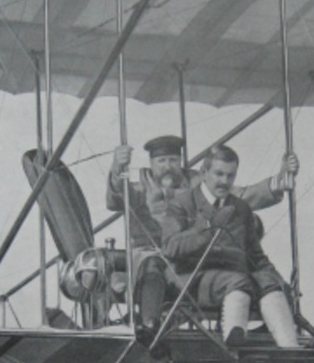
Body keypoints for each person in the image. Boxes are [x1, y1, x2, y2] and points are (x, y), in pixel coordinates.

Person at [106, 134, 298, 348]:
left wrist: (277, 183)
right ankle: (150, 324)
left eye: (173, 160)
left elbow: (241, 194)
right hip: (151, 252)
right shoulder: (140, 187)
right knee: (152, 264)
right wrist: (117, 168)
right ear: (151, 163)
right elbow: (116, 198)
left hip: (196, 256)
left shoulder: (200, 181)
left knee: (259, 278)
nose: (168, 166)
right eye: (162, 161)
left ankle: (280, 336)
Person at [162, 143, 314, 349]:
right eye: (219, 174)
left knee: (268, 282)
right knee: (238, 280)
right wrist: (209, 229)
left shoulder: (241, 208)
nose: (225, 182)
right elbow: (169, 247)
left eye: (230, 176)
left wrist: (278, 281)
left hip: (235, 278)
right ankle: (233, 342)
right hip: (194, 278)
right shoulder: (181, 203)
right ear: (204, 172)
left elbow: (255, 256)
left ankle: (291, 349)